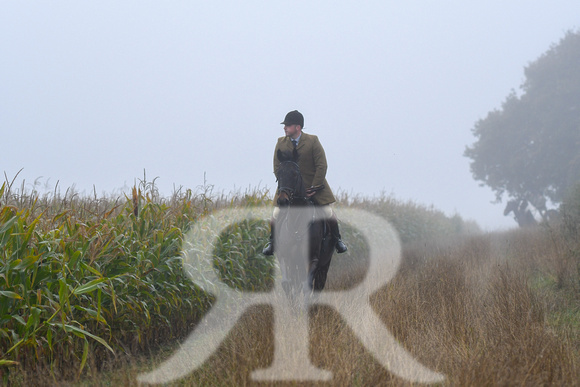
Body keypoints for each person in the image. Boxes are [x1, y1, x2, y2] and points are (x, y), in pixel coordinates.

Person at [262, 110, 347, 255]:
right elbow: (277, 167)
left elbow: (322, 165)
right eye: (285, 125)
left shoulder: (312, 141)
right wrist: (287, 187)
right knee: (275, 215)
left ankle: (337, 240)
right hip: (288, 190)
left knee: (328, 213)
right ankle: (272, 243)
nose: (285, 128)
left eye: (288, 125)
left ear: (298, 127)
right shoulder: (280, 143)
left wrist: (315, 186)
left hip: (313, 188)